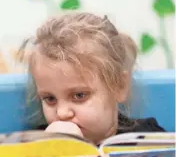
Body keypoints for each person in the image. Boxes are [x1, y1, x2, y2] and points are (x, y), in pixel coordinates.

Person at [21, 12, 165, 145]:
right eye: (50, 99)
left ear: (119, 86)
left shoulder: (149, 139)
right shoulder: (36, 144)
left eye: (79, 95)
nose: (62, 113)